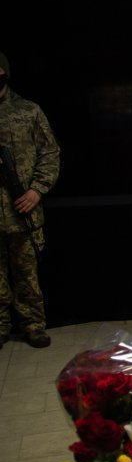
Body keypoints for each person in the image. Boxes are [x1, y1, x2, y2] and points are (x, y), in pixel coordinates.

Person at [0, 50, 60, 349]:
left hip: (22, 210)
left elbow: (50, 153)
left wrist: (36, 189)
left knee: (27, 273)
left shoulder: (28, 111)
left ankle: (33, 325)